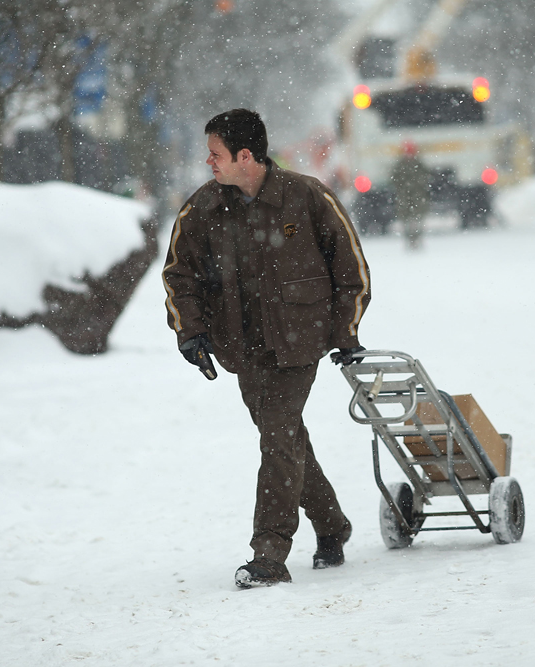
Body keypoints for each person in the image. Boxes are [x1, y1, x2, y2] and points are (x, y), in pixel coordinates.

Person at [161, 109, 371, 588]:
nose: (208, 162)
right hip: (242, 348)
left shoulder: (307, 198)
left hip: (298, 345)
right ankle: (333, 524)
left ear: (246, 156)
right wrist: (190, 333)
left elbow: (351, 271)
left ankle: (269, 554)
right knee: (288, 439)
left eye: (216, 154)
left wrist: (345, 334)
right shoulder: (203, 209)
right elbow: (179, 275)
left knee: (277, 438)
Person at [390, 140, 431, 250]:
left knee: (418, 219)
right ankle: (409, 240)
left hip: (417, 195)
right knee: (406, 220)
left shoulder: (418, 164)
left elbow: (426, 177)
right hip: (405, 196)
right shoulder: (400, 165)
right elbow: (394, 178)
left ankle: (417, 239)